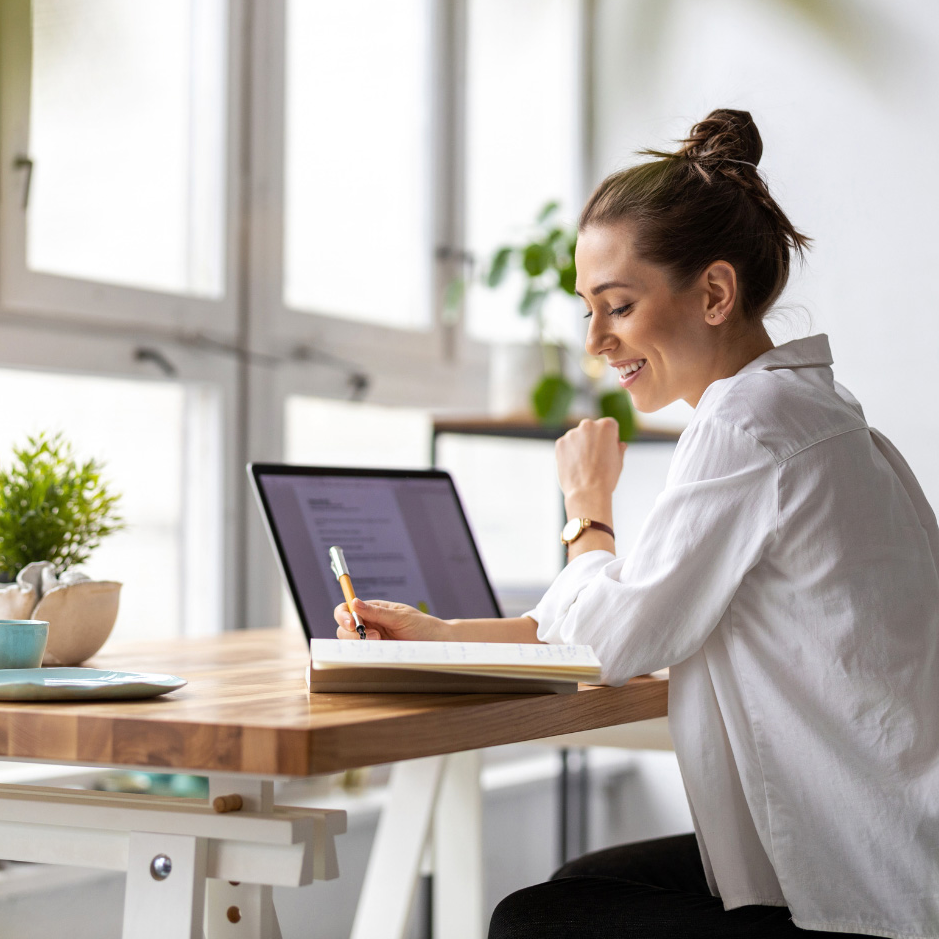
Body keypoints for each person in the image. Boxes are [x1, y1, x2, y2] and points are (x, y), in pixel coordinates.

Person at [334, 109, 939, 938]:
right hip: (899, 846)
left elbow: (609, 643)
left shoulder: (746, 426)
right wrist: (440, 633)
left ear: (715, 293)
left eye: (616, 306)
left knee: (533, 921)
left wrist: (587, 510)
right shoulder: (816, 413)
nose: (596, 341)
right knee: (586, 883)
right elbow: (631, 612)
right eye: (588, 309)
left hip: (870, 891)